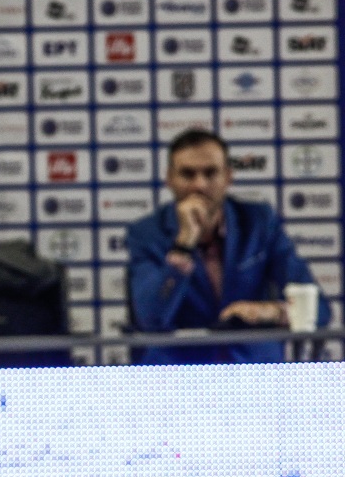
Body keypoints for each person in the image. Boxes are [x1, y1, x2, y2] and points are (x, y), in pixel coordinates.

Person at [126, 127, 329, 364]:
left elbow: (318, 309)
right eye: (188, 174)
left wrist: (269, 312)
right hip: (179, 374)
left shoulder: (259, 223)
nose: (199, 185)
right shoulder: (147, 234)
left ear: (228, 177)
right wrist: (183, 245)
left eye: (210, 173)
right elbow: (150, 320)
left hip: (255, 371)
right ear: (169, 179)